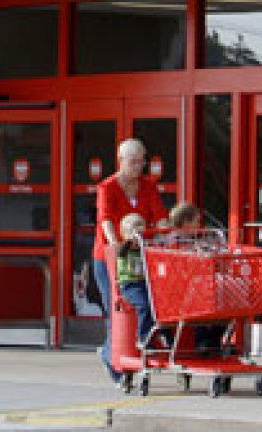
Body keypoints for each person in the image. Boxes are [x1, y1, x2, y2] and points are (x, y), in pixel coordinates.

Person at [92, 138, 168, 383]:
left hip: (142, 256)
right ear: (121, 161)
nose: (138, 167)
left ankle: (132, 348)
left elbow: (160, 216)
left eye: (141, 162)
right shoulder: (108, 187)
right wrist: (114, 243)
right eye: (133, 162)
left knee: (148, 303)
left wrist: (170, 235)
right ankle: (112, 359)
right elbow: (105, 219)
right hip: (111, 259)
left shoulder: (148, 186)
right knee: (117, 309)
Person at [168, 201, 227, 352]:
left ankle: (212, 342)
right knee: (203, 304)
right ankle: (204, 342)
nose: (199, 225)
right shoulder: (173, 241)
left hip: (198, 286)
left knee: (226, 300)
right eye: (196, 221)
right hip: (181, 289)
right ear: (186, 223)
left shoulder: (197, 239)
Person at [116, 213, 155, 346]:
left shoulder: (144, 249)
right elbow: (121, 257)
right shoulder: (124, 250)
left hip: (145, 284)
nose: (138, 238)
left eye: (141, 233)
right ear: (125, 234)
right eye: (134, 233)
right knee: (144, 305)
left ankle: (159, 336)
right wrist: (129, 241)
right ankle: (142, 336)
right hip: (130, 285)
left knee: (157, 307)